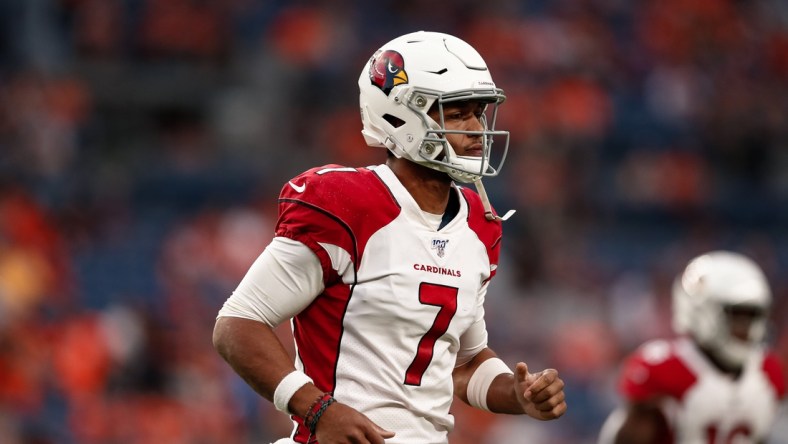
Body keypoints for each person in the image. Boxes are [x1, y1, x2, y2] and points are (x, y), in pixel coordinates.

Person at [212, 30, 567, 444]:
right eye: (456, 113)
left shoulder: (478, 224)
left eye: (478, 112)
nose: (476, 129)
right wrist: (317, 410)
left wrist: (519, 395)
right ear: (400, 116)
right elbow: (237, 324)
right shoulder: (348, 204)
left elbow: (461, 364)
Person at [598, 250, 786, 444]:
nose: (746, 329)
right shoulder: (664, 369)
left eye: (752, 316)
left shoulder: (769, 371)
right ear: (701, 311)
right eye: (736, 316)